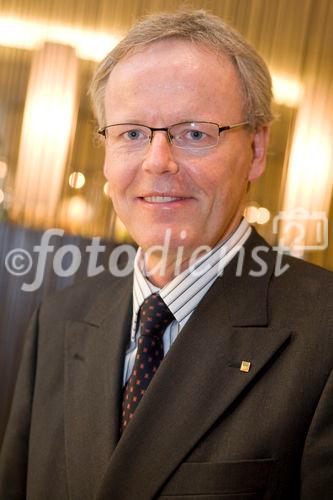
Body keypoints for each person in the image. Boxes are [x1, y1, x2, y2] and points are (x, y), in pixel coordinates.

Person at [0, 10, 332, 500]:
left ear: (257, 149)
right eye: (132, 133)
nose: (158, 162)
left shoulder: (322, 333)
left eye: (195, 133)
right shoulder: (62, 317)